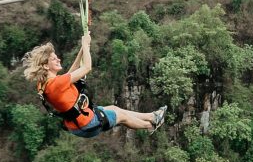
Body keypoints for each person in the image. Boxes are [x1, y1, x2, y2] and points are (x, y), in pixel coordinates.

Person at [22, 32, 166, 138]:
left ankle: (152, 116)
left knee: (114, 108)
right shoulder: (56, 83)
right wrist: (85, 45)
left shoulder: (44, 83)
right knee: (121, 116)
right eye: (54, 59)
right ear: (46, 67)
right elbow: (87, 68)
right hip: (87, 123)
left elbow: (71, 73)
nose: (58, 59)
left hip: (77, 124)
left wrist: (83, 49)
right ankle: (151, 124)